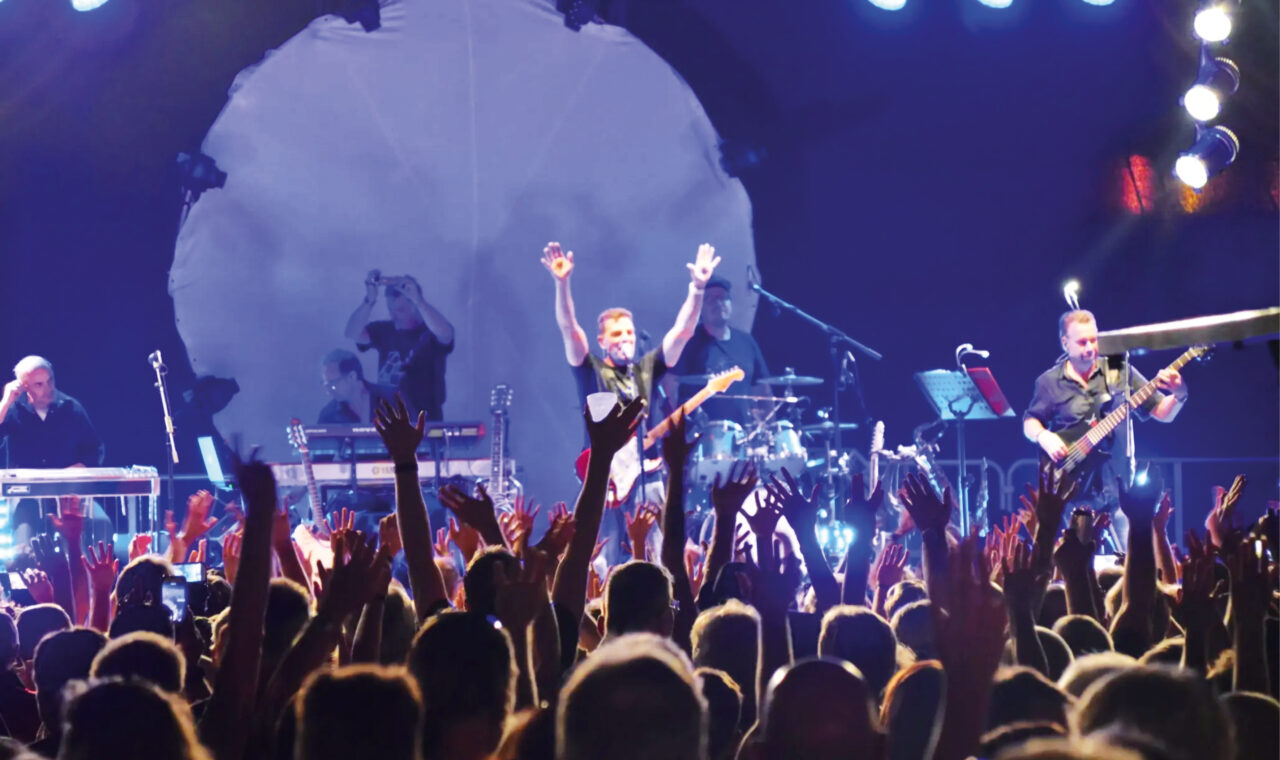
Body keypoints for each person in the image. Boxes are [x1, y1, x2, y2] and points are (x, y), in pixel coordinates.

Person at [1023, 310, 1187, 541]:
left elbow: (1162, 412)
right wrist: (1043, 436)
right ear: (1065, 343)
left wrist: (1180, 394)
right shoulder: (1048, 382)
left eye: (1094, 339)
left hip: (1119, 493)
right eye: (1082, 342)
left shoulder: (1118, 370)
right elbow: (1030, 421)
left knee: (1134, 564)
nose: (1090, 347)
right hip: (1075, 493)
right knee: (1078, 569)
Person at [0, 356, 106, 546]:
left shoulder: (71, 407)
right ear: (24, 387)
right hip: (28, 496)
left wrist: (80, 467)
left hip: (70, 492)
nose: (48, 389)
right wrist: (5, 402)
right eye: (39, 384)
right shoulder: (13, 410)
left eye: (50, 381)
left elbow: (95, 448)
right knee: (23, 541)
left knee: (102, 524)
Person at [345, 270, 454, 420]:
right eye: (391, 310)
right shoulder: (384, 330)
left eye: (400, 310)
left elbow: (446, 334)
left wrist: (419, 300)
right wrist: (369, 300)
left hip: (423, 421)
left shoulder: (430, 333)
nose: (394, 315)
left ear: (414, 306)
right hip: (389, 421)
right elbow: (352, 333)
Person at [665, 275, 770, 425]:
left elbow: (763, 389)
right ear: (700, 309)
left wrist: (768, 426)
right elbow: (669, 383)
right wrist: (676, 424)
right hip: (701, 436)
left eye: (723, 298)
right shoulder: (689, 342)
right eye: (710, 299)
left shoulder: (747, 341)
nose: (719, 303)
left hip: (744, 435)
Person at [317, 349, 397, 424]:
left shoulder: (392, 398)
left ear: (352, 376)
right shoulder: (328, 416)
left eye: (333, 384)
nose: (328, 392)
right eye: (326, 385)